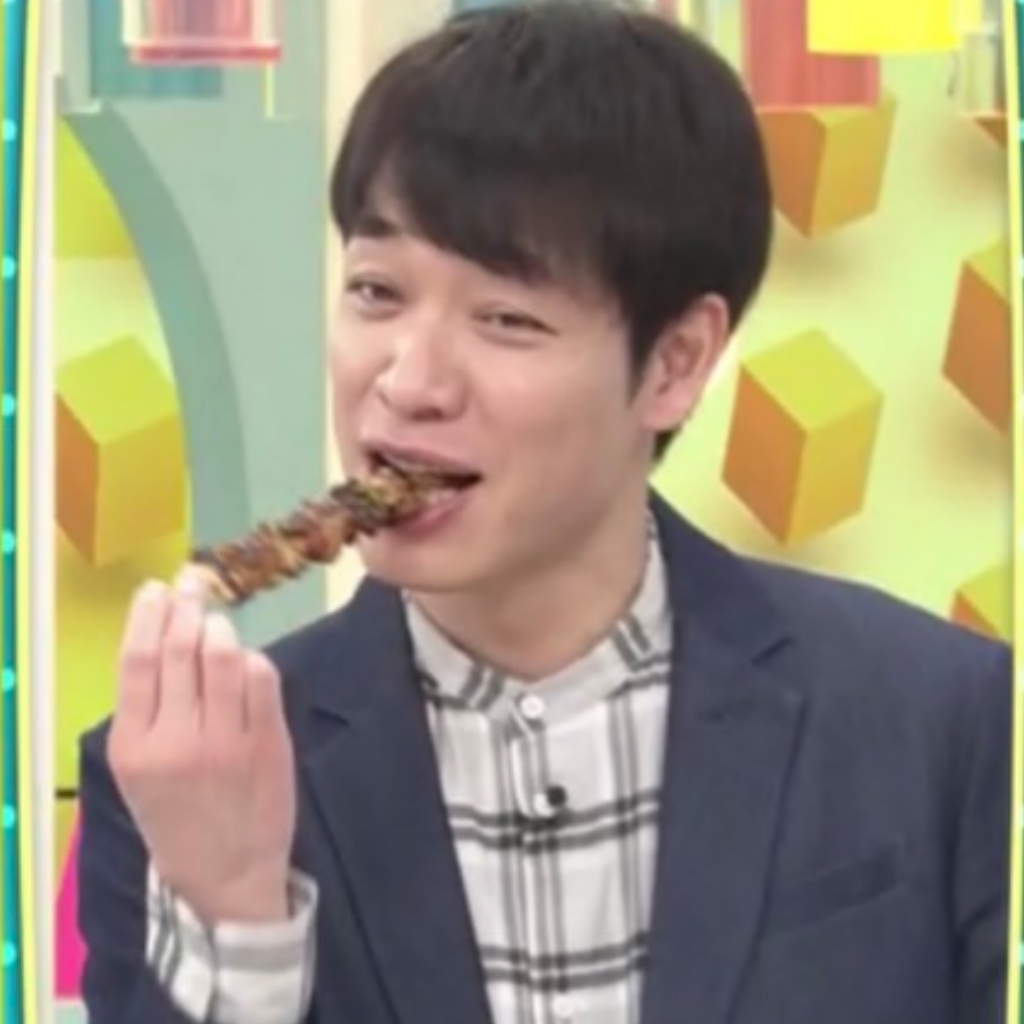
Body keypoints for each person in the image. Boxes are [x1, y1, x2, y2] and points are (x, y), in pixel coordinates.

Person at [75, 3, 1012, 1023]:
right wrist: (232, 915)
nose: (409, 382)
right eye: (377, 291)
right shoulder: (171, 785)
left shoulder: (948, 721)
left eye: (506, 318)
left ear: (675, 363)